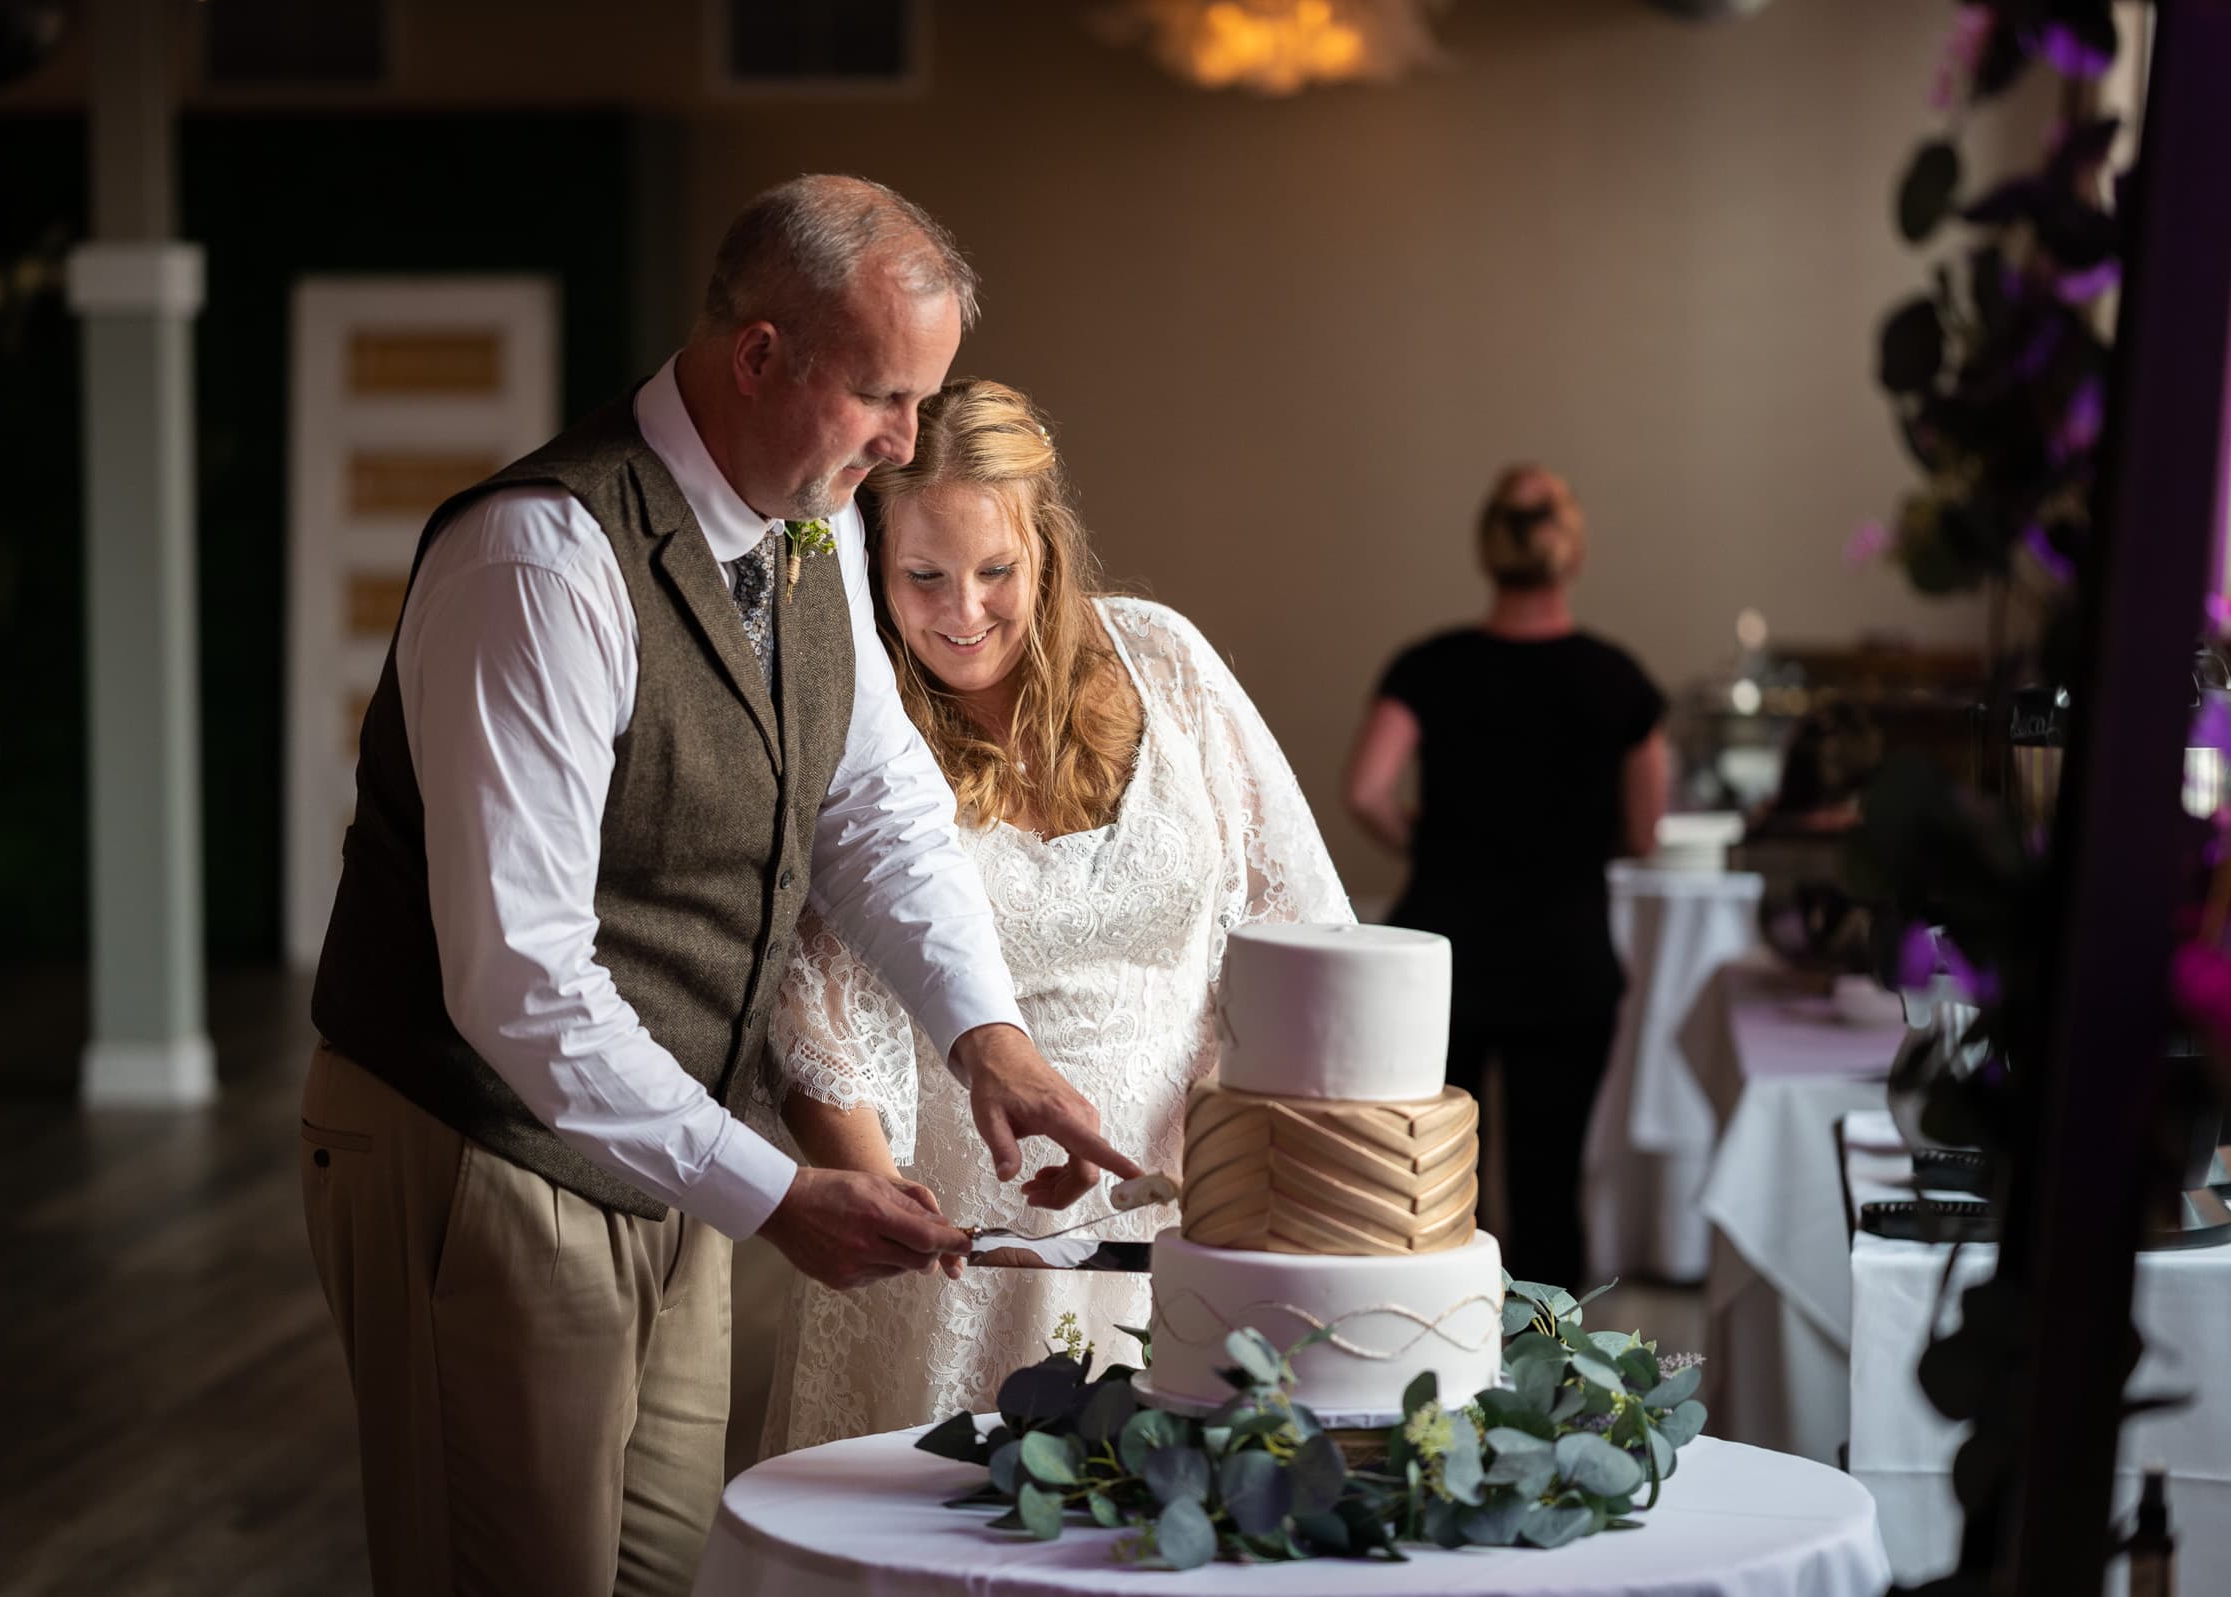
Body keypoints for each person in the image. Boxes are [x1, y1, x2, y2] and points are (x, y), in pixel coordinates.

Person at [295, 177, 1139, 1597]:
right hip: (476, 1144)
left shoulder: (806, 535)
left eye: (921, 399)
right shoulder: (539, 560)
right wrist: (774, 1194)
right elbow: (517, 983)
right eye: (881, 393)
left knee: (659, 1576)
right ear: (759, 358)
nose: (908, 440)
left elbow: (879, 812)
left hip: (662, 1160)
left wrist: (988, 1037)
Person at [751, 378, 1351, 1454]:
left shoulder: (1163, 662)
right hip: (963, 1252)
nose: (963, 611)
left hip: (1187, 1217)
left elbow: (1300, 920)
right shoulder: (861, 726)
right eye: (922, 576)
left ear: (1047, 549)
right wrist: (897, 1216)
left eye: (996, 571)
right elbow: (812, 1011)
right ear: (873, 566)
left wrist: (1238, 1160)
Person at [1343, 462, 1666, 1291]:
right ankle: (1553, 1381)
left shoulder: (1430, 665)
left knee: (1435, 1183)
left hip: (1446, 961)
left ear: (1489, 547)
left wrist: (1434, 840)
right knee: (1549, 1189)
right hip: (1567, 962)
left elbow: (1365, 792)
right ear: (1572, 547)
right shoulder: (1618, 679)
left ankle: (1434, 1355)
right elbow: (1645, 829)